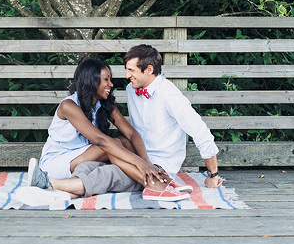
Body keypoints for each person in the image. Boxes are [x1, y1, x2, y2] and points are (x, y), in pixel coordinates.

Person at [20, 58, 191, 205]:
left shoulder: (104, 104)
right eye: (106, 79)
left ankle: (158, 178)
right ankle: (155, 186)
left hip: (81, 157)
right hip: (57, 161)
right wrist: (140, 164)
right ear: (91, 81)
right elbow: (102, 142)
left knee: (123, 141)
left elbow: (131, 134)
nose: (111, 84)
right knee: (110, 145)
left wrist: (148, 163)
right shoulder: (69, 106)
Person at [123, 44, 223, 188]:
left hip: (160, 166)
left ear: (149, 69)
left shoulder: (169, 95)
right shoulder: (130, 90)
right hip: (135, 157)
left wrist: (213, 175)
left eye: (131, 70)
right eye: (127, 70)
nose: (127, 76)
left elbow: (200, 131)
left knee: (104, 177)